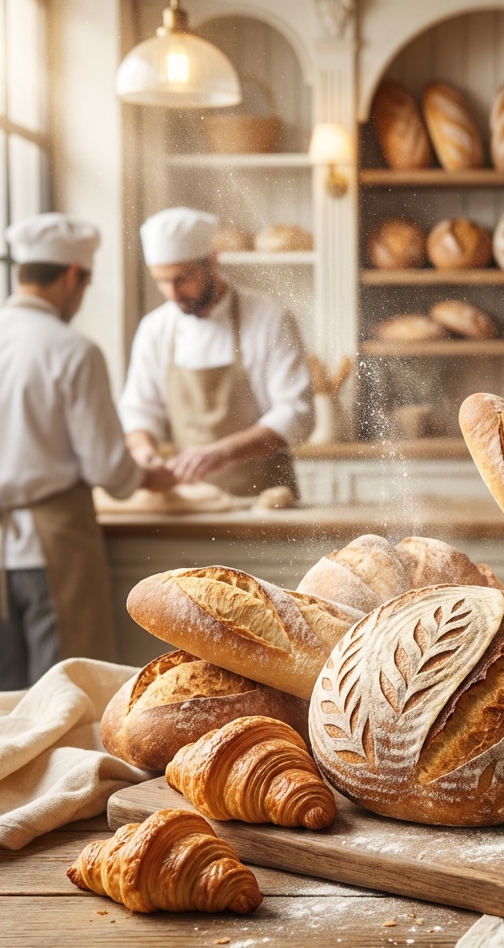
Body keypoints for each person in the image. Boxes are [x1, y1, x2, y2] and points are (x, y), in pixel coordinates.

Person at [0, 213, 175, 690]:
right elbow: (110, 470)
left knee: (5, 698)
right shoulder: (72, 350)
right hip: (51, 545)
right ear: (73, 276)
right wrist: (146, 475)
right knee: (64, 692)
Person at [119, 207, 314, 496]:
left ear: (212, 261)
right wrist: (143, 450)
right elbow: (139, 411)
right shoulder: (155, 328)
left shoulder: (269, 318)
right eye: (161, 280)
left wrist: (222, 452)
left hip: (265, 500)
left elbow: (297, 414)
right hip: (190, 501)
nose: (172, 293)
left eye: (182, 278)